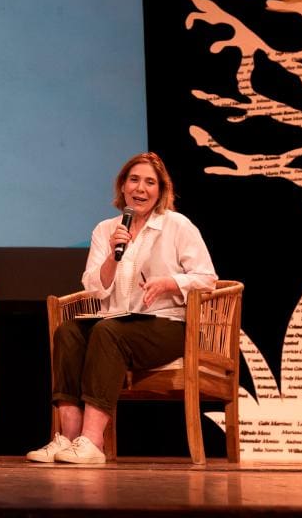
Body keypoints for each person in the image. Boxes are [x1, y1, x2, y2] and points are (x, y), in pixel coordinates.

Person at [27, 152, 216, 464]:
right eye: (134, 180)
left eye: (150, 182)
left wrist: (169, 283)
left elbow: (207, 278)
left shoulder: (177, 225)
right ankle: (68, 438)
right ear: (123, 186)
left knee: (107, 332)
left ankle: (92, 441)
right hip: (118, 320)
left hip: (167, 325)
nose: (141, 188)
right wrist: (113, 256)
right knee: (68, 332)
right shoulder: (106, 230)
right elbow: (94, 287)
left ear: (161, 190)